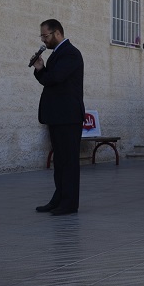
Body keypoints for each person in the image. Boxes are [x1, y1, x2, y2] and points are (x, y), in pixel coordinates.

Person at [32, 18, 85, 216]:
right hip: (58, 116)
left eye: (45, 35)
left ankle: (69, 204)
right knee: (60, 161)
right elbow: (50, 79)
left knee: (68, 161)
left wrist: (42, 70)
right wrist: (40, 68)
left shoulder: (70, 53)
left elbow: (54, 78)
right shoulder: (57, 54)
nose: (43, 40)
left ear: (57, 33)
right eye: (42, 36)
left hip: (68, 117)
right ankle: (59, 198)